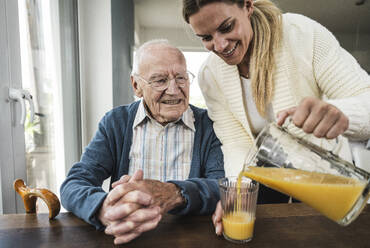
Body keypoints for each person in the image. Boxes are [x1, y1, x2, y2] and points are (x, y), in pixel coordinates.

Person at [182, 0, 370, 236]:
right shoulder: (210, 76)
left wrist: (341, 114)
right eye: (206, 38)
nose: (219, 45)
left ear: (247, 6)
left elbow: (365, 100)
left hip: (328, 187)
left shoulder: (302, 34)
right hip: (268, 193)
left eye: (227, 27)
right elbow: (235, 144)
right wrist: (237, 196)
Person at [60, 39, 224, 244]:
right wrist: (104, 208)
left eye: (181, 78)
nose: (174, 90)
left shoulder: (209, 125)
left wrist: (174, 193)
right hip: (129, 239)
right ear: (136, 86)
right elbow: (73, 184)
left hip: (191, 240)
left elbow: (222, 186)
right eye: (160, 80)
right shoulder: (115, 122)